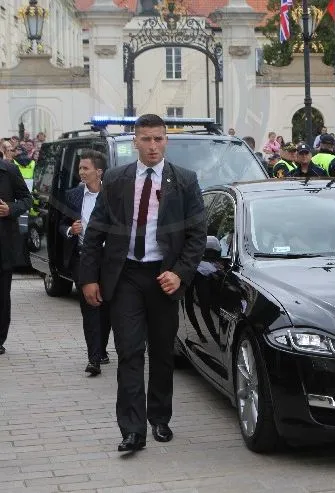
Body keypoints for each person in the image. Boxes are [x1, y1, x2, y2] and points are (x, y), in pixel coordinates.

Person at [80, 114, 206, 452]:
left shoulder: (185, 181)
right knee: (130, 352)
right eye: (146, 139)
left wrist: (179, 272)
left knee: (163, 353)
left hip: (164, 278)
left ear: (166, 141)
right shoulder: (118, 180)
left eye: (158, 139)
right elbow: (95, 232)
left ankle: (160, 418)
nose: (152, 146)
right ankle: (132, 430)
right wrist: (89, 278)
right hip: (126, 277)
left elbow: (197, 236)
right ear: (135, 140)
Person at [61, 150, 112, 375]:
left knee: (106, 308)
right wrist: (71, 229)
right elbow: (59, 225)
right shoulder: (73, 195)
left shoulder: (112, 195)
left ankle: (101, 349)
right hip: (83, 258)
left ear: (98, 171)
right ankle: (93, 358)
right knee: (89, 307)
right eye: (80, 168)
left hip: (109, 259)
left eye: (85, 168)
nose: (81, 172)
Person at [0, 152, 33, 355]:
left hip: (3, 246)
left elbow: (27, 199)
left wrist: (10, 209)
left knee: (2, 297)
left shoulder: (9, 170)